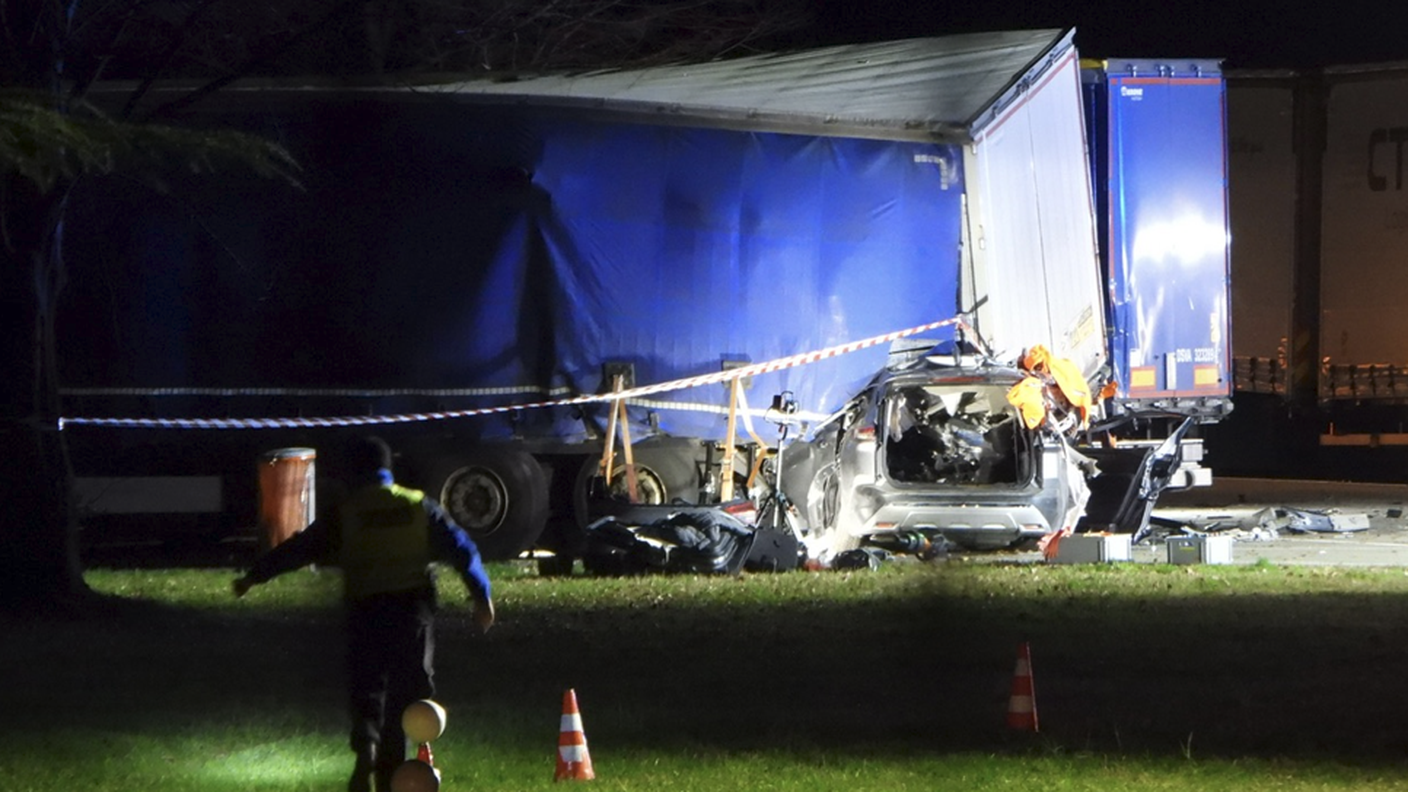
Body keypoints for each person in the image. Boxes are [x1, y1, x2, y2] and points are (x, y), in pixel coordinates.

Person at [233, 435, 495, 792]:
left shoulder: (347, 511)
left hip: (365, 610)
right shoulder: (418, 506)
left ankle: (366, 749)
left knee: (368, 687)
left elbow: (299, 549)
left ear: (353, 471)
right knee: (408, 691)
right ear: (389, 468)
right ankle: (397, 767)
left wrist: (254, 576)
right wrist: (481, 596)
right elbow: (462, 549)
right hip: (411, 610)